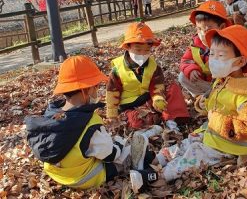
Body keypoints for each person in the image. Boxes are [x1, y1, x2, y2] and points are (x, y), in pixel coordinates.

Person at [130, 25, 247, 193]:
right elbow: (216, 104)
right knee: (187, 142)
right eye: (211, 53)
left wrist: (217, 120)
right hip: (213, 134)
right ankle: (154, 159)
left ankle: (155, 176)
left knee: (194, 154)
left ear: (240, 61)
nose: (212, 59)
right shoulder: (223, 80)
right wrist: (204, 105)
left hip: (230, 145)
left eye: (220, 55)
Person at [25, 56, 158, 189]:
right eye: (95, 87)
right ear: (85, 91)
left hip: (60, 175)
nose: (97, 91)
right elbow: (109, 154)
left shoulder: (51, 113)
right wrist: (119, 145)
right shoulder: (89, 124)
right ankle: (146, 170)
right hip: (83, 178)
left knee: (95, 146)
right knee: (124, 153)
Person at [106, 22, 189, 131]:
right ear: (128, 47)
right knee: (136, 122)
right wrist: (112, 114)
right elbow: (112, 93)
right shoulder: (118, 69)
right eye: (138, 50)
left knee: (173, 88)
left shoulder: (153, 66)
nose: (142, 54)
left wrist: (158, 98)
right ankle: (154, 120)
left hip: (149, 99)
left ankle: (172, 119)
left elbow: (157, 85)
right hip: (129, 105)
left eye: (147, 50)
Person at [178, 0, 231, 98]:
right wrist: (191, 69)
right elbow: (185, 60)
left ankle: (214, 98)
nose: (202, 34)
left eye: (207, 30)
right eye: (199, 29)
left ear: (222, 27)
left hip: (225, 85)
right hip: (205, 84)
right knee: (182, 77)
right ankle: (202, 97)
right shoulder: (196, 44)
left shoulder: (228, 45)